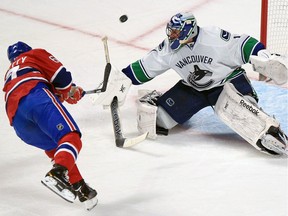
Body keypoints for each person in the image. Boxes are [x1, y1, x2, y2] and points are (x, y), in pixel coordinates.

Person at [121, 12, 288, 156]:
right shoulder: (169, 49)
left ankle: (270, 132)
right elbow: (146, 66)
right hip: (192, 89)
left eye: (175, 31)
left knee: (246, 113)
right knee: (157, 121)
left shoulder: (213, 38)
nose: (171, 35)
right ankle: (154, 99)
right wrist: (123, 80)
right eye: (171, 31)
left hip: (227, 82)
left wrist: (260, 53)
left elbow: (241, 44)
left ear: (188, 29)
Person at [3, 41, 98, 210]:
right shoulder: (33, 54)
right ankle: (58, 173)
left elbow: (51, 90)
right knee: (71, 137)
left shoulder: (10, 72)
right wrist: (69, 89)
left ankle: (80, 187)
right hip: (35, 95)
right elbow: (61, 77)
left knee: (57, 147)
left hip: (17, 120)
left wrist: (67, 93)